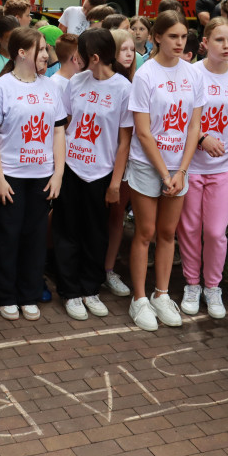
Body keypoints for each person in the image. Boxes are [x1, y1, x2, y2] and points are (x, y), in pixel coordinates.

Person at [124, 10, 205, 332]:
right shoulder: (145, 75)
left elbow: (195, 125)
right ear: (157, 37)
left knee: (168, 233)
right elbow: (142, 132)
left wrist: (182, 171)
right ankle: (139, 299)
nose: (179, 42)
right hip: (147, 165)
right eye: (173, 36)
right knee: (144, 232)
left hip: (179, 167)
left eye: (183, 37)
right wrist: (164, 172)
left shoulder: (193, 73)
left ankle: (161, 293)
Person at [52, 28, 132, 320]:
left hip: (101, 174)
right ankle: (70, 291)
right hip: (72, 169)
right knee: (67, 231)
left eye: (81, 55)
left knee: (95, 234)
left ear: (95, 57)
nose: (76, 59)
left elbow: (124, 141)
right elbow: (66, 123)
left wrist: (114, 183)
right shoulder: (76, 82)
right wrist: (58, 167)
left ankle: (90, 288)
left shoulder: (123, 88)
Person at [177, 17, 228, 319]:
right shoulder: (191, 75)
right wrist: (202, 140)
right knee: (191, 228)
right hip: (191, 166)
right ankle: (192, 284)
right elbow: (178, 121)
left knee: (216, 231)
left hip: (223, 169)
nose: (226, 46)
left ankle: (213, 286)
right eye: (220, 40)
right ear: (205, 43)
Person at [0, 27, 66, 322]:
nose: (47, 54)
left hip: (43, 176)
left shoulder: (51, 87)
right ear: (22, 53)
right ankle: (6, 295)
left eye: (46, 49)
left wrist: (58, 174)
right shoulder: (1, 88)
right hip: (11, 176)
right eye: (42, 49)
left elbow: (59, 132)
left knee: (35, 237)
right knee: (8, 236)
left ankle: (29, 292)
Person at [103, 28, 137, 296]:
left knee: (117, 217)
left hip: (125, 163)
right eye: (123, 49)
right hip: (98, 159)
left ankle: (108, 269)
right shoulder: (100, 81)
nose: (129, 53)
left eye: (132, 49)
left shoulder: (135, 82)